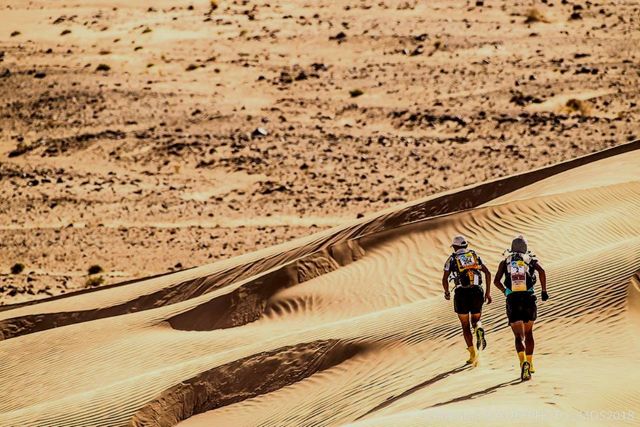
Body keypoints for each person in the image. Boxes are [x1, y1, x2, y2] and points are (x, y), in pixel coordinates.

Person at [493, 235, 548, 381]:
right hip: (529, 297)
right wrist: (544, 291)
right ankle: (530, 363)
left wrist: (506, 291)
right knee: (529, 333)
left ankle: (523, 362)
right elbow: (542, 271)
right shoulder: (530, 259)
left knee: (518, 336)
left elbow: (496, 281)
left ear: (512, 248)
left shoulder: (505, 261)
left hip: (513, 299)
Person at [442, 235, 492, 365]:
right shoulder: (474, 256)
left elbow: (445, 278)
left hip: (461, 293)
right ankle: (479, 328)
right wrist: (487, 292)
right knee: (476, 320)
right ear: (466, 246)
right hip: (477, 291)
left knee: (465, 326)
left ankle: (473, 354)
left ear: (455, 246)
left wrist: (447, 292)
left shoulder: (452, 259)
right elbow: (487, 273)